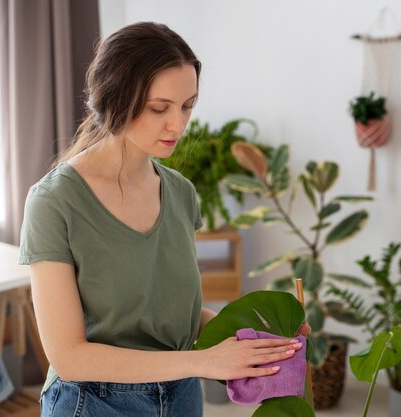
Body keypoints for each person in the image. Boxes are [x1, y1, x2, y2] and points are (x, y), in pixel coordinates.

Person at [19, 22, 308, 417]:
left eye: (187, 106)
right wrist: (203, 362)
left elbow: (175, 319)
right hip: (92, 402)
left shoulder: (180, 193)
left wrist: (258, 340)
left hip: (182, 397)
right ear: (114, 100)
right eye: (160, 108)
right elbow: (69, 356)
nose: (178, 124)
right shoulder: (54, 202)